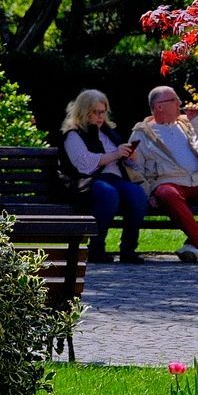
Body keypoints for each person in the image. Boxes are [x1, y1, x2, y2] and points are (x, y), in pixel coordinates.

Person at [129, 84, 198, 263]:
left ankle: (193, 246)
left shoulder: (189, 123)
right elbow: (134, 169)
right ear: (159, 106)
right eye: (174, 100)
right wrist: (147, 191)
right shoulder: (140, 134)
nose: (180, 103)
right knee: (167, 194)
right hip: (169, 182)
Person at [58, 89, 149, 264]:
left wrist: (129, 156)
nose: (100, 116)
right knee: (108, 194)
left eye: (103, 112)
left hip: (116, 179)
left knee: (137, 195)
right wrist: (115, 154)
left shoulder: (108, 132)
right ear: (84, 112)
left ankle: (128, 249)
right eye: (96, 112)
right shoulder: (73, 134)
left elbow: (120, 162)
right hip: (88, 182)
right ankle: (96, 248)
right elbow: (83, 164)